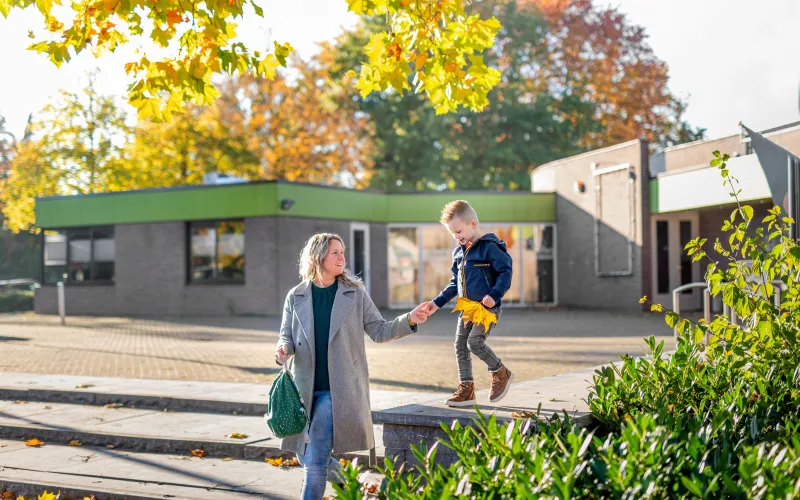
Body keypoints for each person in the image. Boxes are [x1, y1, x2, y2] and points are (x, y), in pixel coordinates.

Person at [274, 233, 429, 500]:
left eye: (342, 252)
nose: (342, 257)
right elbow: (286, 334)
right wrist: (282, 348)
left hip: (338, 391)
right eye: (335, 252)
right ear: (317, 256)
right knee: (304, 455)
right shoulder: (296, 295)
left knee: (313, 463)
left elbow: (380, 330)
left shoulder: (354, 293)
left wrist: (410, 319)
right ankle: (349, 484)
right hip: (303, 392)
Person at [425, 200, 514, 407]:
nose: (456, 237)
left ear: (473, 224)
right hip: (467, 309)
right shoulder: (459, 253)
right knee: (460, 345)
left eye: (458, 231)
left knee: (474, 342)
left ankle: (500, 372)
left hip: (486, 308)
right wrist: (436, 303)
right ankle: (467, 389)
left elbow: (505, 272)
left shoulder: (490, 247)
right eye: (452, 234)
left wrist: (494, 294)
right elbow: (454, 283)